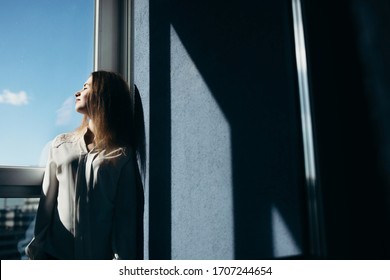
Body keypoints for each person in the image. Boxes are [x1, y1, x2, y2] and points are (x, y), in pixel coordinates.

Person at [25, 71, 144, 259]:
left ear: (104, 95)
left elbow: (124, 223)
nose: (77, 93)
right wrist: (36, 253)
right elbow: (46, 206)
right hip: (55, 259)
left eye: (86, 87)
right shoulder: (61, 144)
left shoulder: (122, 155)